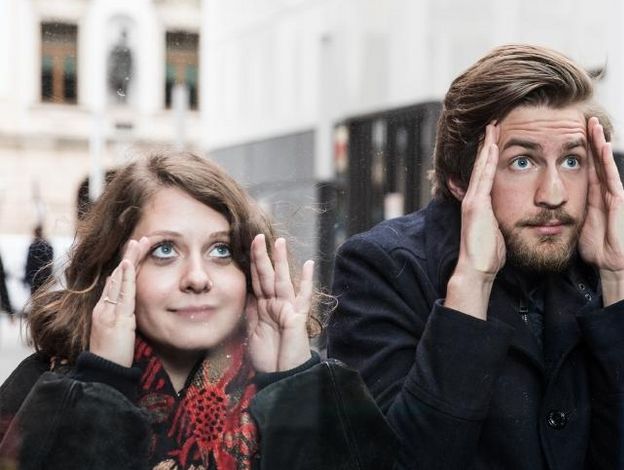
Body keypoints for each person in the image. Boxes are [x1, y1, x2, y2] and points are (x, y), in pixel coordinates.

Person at [329, 44, 624, 469]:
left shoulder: (598, 270)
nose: (553, 195)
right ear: (460, 178)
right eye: (522, 162)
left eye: (572, 161)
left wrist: (623, 277)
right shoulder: (382, 267)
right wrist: (471, 287)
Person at [0, 152, 397, 470]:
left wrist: (294, 379)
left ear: (250, 269)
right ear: (112, 268)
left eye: (220, 250)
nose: (197, 277)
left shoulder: (318, 392)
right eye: (164, 250)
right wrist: (101, 385)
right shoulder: (43, 390)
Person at [24, 224, 53, 296]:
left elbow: (29, 264)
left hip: (36, 278)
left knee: (37, 298)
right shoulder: (47, 245)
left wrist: (26, 278)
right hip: (43, 277)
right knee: (42, 298)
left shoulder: (34, 246)